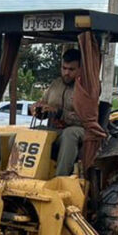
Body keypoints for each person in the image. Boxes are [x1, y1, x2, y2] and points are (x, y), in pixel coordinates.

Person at [29, 48, 85, 176]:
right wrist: (38, 109)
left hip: (80, 130)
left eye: (71, 70)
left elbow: (86, 118)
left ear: (80, 70)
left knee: (69, 134)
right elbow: (44, 105)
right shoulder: (55, 85)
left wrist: (60, 112)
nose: (66, 73)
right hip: (55, 129)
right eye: (64, 68)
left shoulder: (86, 89)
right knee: (31, 132)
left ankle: (60, 179)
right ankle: (22, 173)